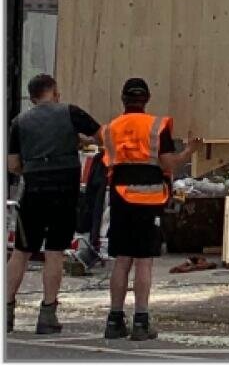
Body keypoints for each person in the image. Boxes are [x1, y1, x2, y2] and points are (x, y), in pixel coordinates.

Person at [97, 78, 196, 341]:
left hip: (119, 195)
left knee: (121, 259)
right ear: (147, 99)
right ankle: (141, 321)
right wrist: (188, 152)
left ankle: (114, 320)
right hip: (149, 197)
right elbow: (168, 163)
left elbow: (109, 161)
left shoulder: (111, 128)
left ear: (123, 99)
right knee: (143, 260)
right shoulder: (157, 125)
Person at [5, 74, 99, 335]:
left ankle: (7, 310)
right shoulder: (70, 112)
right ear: (55, 93)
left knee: (21, 251)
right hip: (64, 190)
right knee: (55, 251)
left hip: (34, 190)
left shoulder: (19, 122)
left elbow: (12, 164)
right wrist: (79, 142)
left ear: (33, 98)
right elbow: (102, 135)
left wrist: (32, 170)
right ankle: (47, 313)